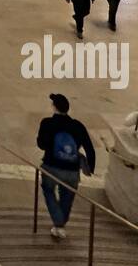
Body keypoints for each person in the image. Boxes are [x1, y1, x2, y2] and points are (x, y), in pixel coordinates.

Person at [36, 93, 95, 239]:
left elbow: (41, 145)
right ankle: (60, 224)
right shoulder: (78, 126)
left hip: (51, 167)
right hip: (72, 170)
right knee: (67, 197)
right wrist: (90, 168)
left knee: (48, 191)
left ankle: (58, 222)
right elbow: (89, 148)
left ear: (54, 107)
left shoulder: (47, 123)